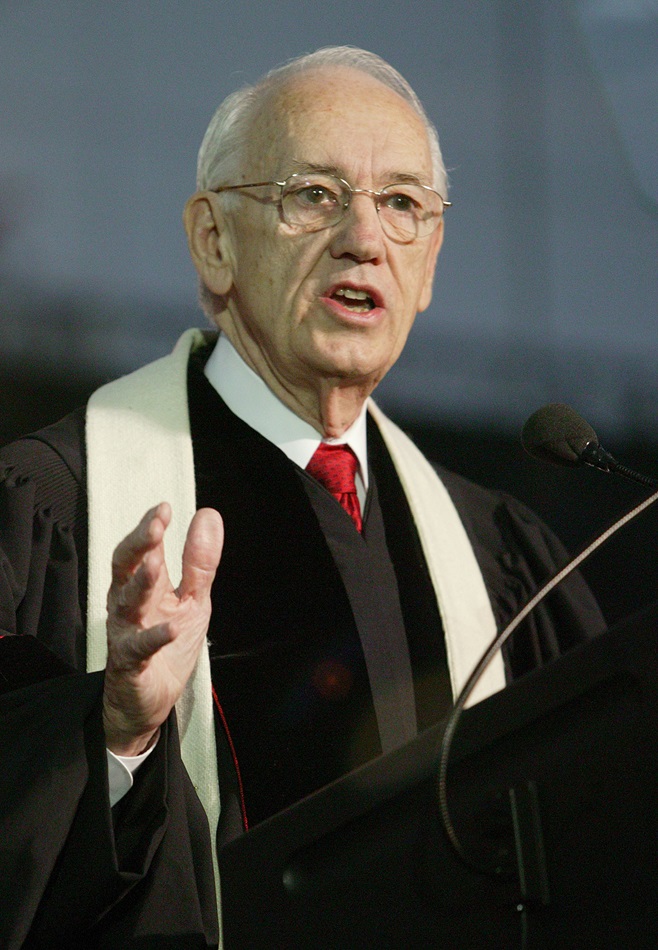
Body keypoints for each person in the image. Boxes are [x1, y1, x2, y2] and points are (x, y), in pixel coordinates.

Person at [0, 46, 604, 948]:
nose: (365, 238)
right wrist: (117, 733)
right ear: (213, 240)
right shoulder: (61, 507)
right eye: (315, 194)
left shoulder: (494, 553)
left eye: (403, 204)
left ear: (430, 261)